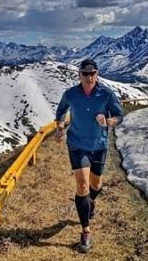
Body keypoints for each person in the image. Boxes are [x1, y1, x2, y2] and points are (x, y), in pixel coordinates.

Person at [54, 58, 124, 253]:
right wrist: (59, 129)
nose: (89, 77)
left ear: (97, 73)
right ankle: (85, 231)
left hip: (98, 145)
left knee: (95, 184)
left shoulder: (107, 94)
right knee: (82, 185)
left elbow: (120, 116)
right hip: (76, 144)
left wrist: (109, 121)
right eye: (85, 73)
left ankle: (91, 202)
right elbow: (60, 113)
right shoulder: (70, 94)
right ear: (79, 74)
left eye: (92, 73)